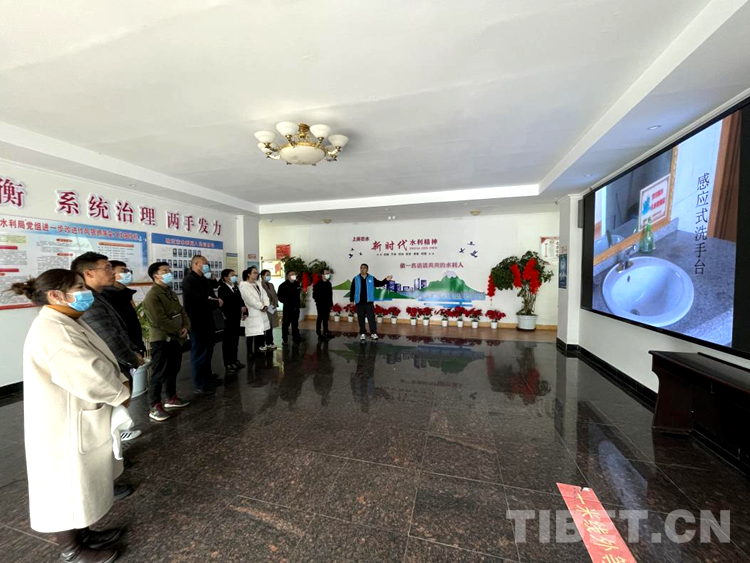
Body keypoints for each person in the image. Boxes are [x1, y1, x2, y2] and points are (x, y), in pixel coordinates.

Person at [11, 269, 130, 563]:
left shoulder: (65, 320)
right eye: (78, 287)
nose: (84, 292)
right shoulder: (55, 331)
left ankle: (83, 535)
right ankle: (72, 549)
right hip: (63, 424)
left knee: (80, 482)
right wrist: (119, 391)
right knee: (66, 485)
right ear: (56, 295)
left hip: (75, 414)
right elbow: (88, 373)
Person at [71, 252, 142, 500]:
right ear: (88, 272)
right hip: (108, 368)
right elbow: (108, 337)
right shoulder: (87, 302)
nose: (113, 272)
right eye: (107, 268)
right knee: (102, 425)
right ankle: (103, 482)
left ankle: (114, 461)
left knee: (111, 421)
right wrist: (131, 358)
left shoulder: (99, 296)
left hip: (116, 364)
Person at [143, 262, 192, 421]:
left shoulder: (169, 292)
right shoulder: (153, 295)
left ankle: (171, 397)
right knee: (159, 372)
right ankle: (155, 405)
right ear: (155, 276)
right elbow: (160, 320)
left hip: (176, 337)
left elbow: (182, 311)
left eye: (169, 270)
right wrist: (178, 330)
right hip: (162, 339)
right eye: (165, 271)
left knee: (173, 369)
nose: (169, 273)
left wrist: (186, 326)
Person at [102, 260, 145, 442]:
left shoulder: (124, 294)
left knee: (127, 390)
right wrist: (130, 354)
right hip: (121, 353)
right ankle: (115, 432)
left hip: (131, 346)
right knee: (118, 393)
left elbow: (131, 323)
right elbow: (113, 332)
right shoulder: (105, 297)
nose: (127, 273)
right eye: (122, 270)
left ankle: (119, 428)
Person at [182, 255, 223, 395]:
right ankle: (199, 384)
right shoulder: (189, 280)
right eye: (204, 263)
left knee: (208, 351)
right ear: (195, 264)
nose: (207, 266)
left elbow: (211, 296)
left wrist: (214, 301)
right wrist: (215, 302)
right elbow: (201, 300)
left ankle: (207, 378)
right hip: (197, 321)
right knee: (199, 353)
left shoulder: (204, 279)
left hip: (208, 319)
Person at [349, 263, 392, 341]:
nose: (362, 269)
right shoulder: (356, 278)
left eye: (364, 268)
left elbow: (379, 283)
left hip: (369, 303)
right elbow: (352, 290)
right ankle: (362, 333)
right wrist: (351, 300)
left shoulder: (371, 278)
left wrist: (386, 280)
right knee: (361, 318)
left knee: (371, 318)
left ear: (367, 269)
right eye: (361, 268)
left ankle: (373, 333)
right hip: (359, 303)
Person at [218, 269, 246, 371]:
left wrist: (243, 308)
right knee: (228, 341)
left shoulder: (235, 287)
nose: (234, 277)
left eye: (235, 275)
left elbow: (240, 300)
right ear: (225, 277)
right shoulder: (222, 289)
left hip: (236, 317)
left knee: (235, 340)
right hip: (229, 318)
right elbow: (223, 305)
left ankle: (234, 360)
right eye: (232, 275)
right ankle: (228, 362)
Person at [240, 266, 270, 357]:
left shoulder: (258, 284)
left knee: (259, 333)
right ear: (248, 274)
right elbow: (250, 300)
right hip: (252, 312)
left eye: (257, 273)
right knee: (251, 334)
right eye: (254, 273)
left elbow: (265, 296)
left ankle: (257, 349)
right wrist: (261, 306)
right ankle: (249, 352)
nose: (256, 274)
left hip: (261, 312)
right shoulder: (244, 286)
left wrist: (266, 305)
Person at [277, 270, 302, 345]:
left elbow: (298, 294)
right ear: (288, 276)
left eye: (294, 274)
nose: (294, 275)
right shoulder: (283, 285)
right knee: (286, 324)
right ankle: (285, 339)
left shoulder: (297, 284)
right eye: (292, 274)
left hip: (296, 307)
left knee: (295, 322)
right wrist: (287, 301)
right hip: (288, 308)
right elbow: (280, 297)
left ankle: (295, 336)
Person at [260, 269, 279, 349]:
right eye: (267, 275)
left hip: (272, 308)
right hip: (265, 308)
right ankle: (262, 343)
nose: (269, 276)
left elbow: (275, 295)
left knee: (270, 326)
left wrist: (275, 304)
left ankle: (270, 342)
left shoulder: (271, 284)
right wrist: (267, 305)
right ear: (262, 276)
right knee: (265, 326)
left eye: (269, 275)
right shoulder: (260, 285)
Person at [312, 268, 334, 339]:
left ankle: (326, 331)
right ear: (322, 275)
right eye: (326, 273)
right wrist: (319, 302)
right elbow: (314, 295)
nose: (328, 275)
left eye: (328, 273)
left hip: (327, 304)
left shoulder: (329, 284)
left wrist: (331, 304)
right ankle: (319, 333)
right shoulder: (318, 284)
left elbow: (330, 295)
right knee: (320, 318)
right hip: (321, 305)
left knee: (326, 318)